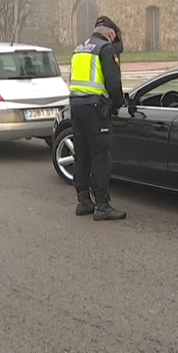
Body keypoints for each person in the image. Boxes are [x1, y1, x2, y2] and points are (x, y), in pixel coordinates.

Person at [68, 20, 126, 221]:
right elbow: (113, 82)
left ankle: (83, 201)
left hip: (76, 106)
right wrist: (117, 104)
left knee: (82, 154)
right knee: (101, 155)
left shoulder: (79, 49)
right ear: (110, 32)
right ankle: (102, 205)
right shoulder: (105, 48)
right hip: (96, 108)